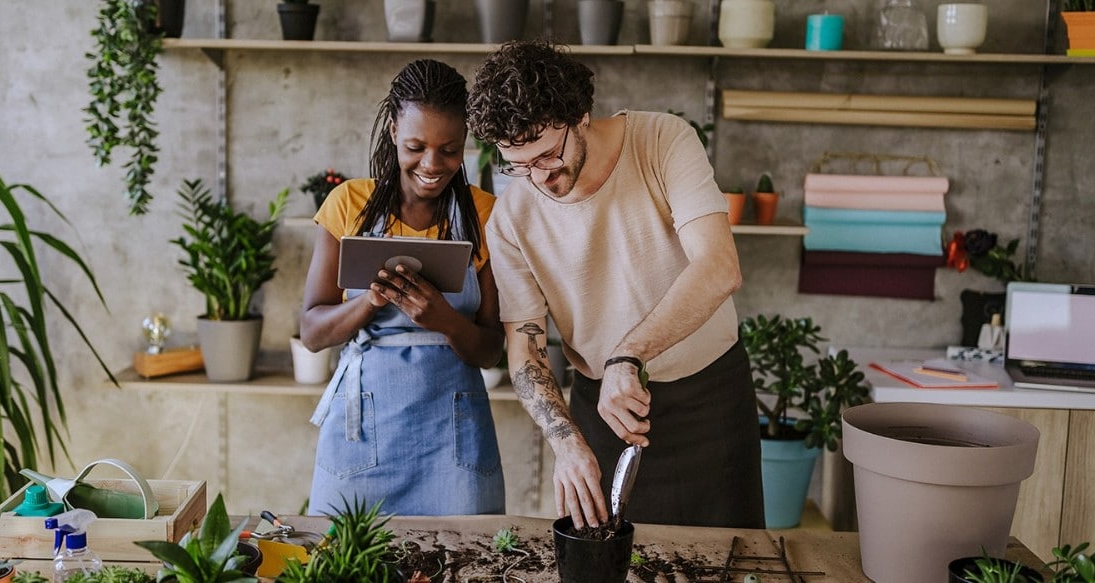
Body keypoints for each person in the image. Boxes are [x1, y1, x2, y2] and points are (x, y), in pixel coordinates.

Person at [466, 40, 763, 529]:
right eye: (517, 166)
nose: (538, 179)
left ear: (580, 113)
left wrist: (629, 355)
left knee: (728, 560)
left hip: (712, 403)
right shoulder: (511, 220)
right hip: (602, 415)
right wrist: (565, 441)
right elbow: (526, 348)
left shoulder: (663, 141)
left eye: (546, 157)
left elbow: (719, 266)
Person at [301, 59, 505, 516]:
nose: (432, 165)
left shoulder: (485, 214)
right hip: (365, 438)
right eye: (416, 146)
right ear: (393, 131)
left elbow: (491, 349)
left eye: (450, 150)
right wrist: (369, 303)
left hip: (452, 440)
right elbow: (313, 332)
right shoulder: (348, 205)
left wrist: (444, 321)